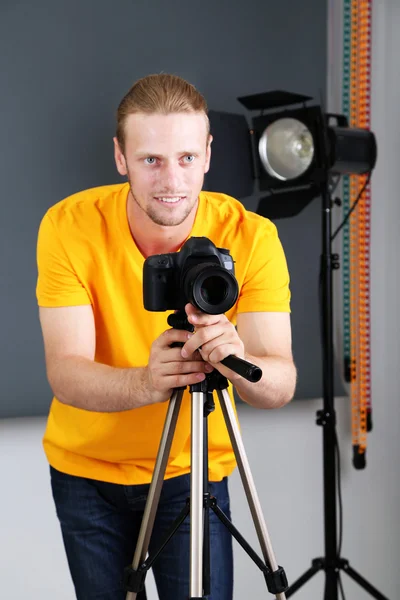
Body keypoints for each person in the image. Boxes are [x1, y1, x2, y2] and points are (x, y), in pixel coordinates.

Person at [36, 73, 297, 600]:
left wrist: (237, 355)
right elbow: (65, 374)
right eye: (150, 160)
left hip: (193, 469)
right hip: (88, 475)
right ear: (120, 158)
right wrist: (147, 382)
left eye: (185, 158)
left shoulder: (251, 236)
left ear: (207, 154)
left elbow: (280, 383)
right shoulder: (69, 226)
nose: (171, 180)